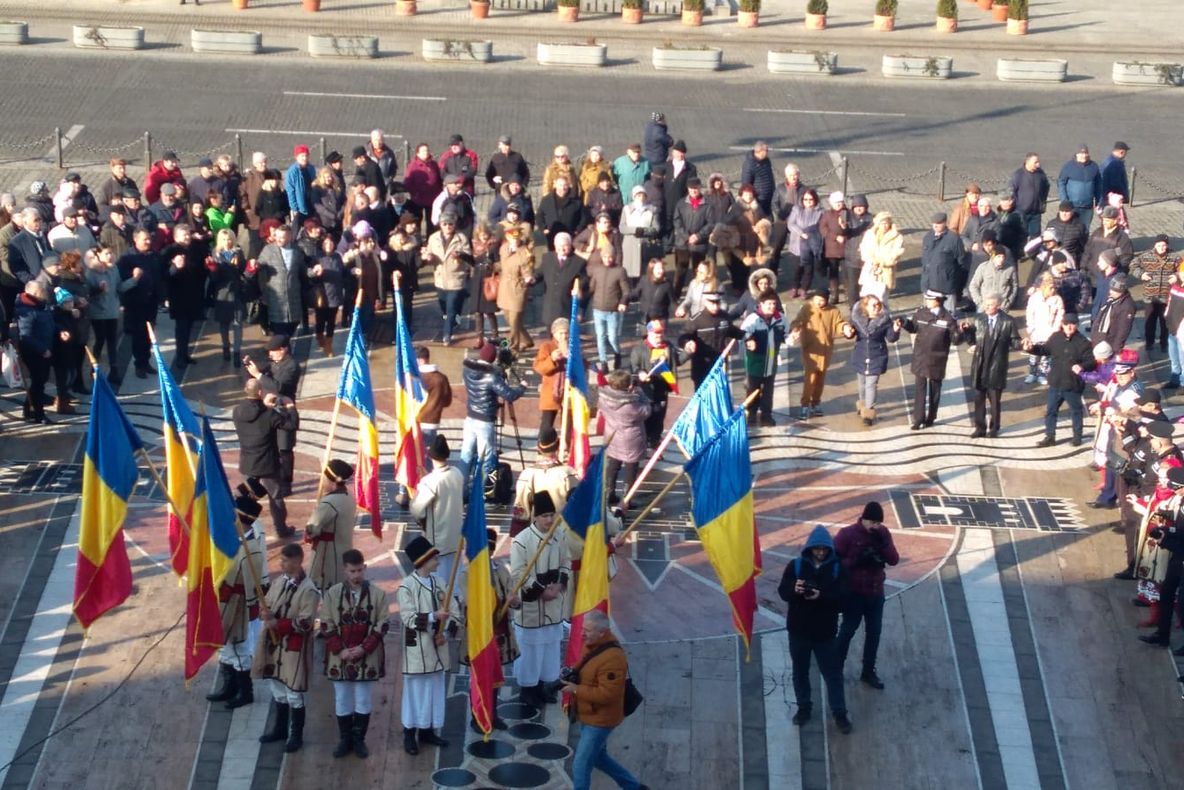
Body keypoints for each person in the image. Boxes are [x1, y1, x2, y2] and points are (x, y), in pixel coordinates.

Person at [562, 609, 648, 790]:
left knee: (581, 765)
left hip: (601, 719)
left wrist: (576, 689)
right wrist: (571, 673)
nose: (582, 633)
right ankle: (633, 787)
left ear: (602, 633)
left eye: (587, 630)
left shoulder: (613, 659)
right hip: (589, 713)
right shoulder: (592, 643)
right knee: (599, 758)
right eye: (583, 628)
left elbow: (608, 694)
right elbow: (584, 662)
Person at [777, 525, 851, 734]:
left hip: (825, 634)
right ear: (809, 548)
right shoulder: (796, 566)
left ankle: (839, 713)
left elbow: (845, 599)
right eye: (816, 549)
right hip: (798, 632)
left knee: (832, 674)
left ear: (829, 549)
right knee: (800, 672)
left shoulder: (838, 569)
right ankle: (803, 708)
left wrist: (822, 595)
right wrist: (795, 589)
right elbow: (783, 591)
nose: (820, 552)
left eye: (823, 549)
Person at [321, 548, 389, 759]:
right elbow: (325, 623)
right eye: (352, 571)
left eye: (360, 570)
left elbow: (383, 624)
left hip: (366, 656)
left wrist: (363, 648)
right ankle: (345, 739)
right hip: (338, 656)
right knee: (342, 698)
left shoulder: (379, 594)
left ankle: (359, 740)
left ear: (365, 568)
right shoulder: (332, 594)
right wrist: (340, 649)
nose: (357, 575)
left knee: (363, 699)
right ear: (345, 571)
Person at [253, 542, 319, 753]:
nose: (280, 563)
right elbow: (270, 604)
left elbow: (306, 622)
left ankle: (296, 734)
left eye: (284, 560)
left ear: (297, 561)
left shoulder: (309, 590)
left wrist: (278, 624)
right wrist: (266, 613)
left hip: (293, 648)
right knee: (277, 689)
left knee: (293, 693)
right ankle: (280, 729)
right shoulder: (280, 582)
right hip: (274, 645)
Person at [206, 494, 268, 710]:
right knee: (227, 648)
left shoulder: (251, 549)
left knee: (239, 649)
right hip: (229, 602)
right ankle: (229, 687)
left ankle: (245, 692)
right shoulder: (238, 542)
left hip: (239, 606)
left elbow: (238, 583)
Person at [397, 535, 457, 755]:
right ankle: (409, 733)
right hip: (418, 652)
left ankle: (428, 730)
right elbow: (408, 617)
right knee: (415, 692)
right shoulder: (407, 587)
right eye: (434, 557)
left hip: (438, 649)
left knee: (434, 691)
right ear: (423, 560)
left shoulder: (440, 584)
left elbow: (454, 612)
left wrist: (447, 634)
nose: (438, 560)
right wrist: (434, 616)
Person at [511, 491, 571, 708]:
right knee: (531, 651)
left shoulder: (559, 536)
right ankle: (528, 689)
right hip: (532, 607)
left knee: (550, 648)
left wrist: (559, 585)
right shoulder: (522, 541)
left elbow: (565, 562)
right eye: (544, 515)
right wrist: (541, 591)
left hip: (553, 604)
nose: (549, 520)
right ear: (535, 517)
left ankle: (545, 685)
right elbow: (518, 574)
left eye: (551, 515)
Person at [834, 502, 899, 689]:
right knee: (847, 631)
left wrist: (883, 544)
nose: (875, 526)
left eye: (878, 523)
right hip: (853, 593)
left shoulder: (883, 534)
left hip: (875, 592)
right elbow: (835, 562)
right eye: (872, 522)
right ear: (863, 519)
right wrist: (856, 560)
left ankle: (868, 671)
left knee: (874, 633)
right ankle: (836, 669)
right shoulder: (847, 534)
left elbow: (894, 559)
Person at [461, 528, 519, 732]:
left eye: (491, 548)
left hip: (499, 632)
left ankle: (493, 714)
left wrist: (513, 600)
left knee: (496, 674)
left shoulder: (501, 570)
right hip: (480, 635)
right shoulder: (468, 574)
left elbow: (515, 601)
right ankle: (478, 716)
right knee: (478, 676)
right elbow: (467, 604)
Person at [232, 379, 298, 537]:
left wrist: (264, 406)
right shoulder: (269, 415)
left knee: (248, 497)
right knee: (276, 498)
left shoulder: (237, 411)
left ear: (245, 390)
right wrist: (290, 407)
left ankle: (242, 528)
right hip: (268, 464)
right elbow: (291, 425)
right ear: (260, 392)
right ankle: (281, 530)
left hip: (248, 462)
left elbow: (254, 416)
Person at [1024, 313, 1095, 447]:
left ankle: (1077, 437)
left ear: (1077, 325)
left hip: (1072, 384)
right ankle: (1050, 437)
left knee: (1076, 411)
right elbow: (1044, 349)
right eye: (1067, 324)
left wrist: (1081, 366)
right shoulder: (1056, 337)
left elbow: (1091, 362)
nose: (1070, 326)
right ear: (1062, 324)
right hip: (1056, 383)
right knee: (1051, 411)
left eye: (1073, 324)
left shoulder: (1083, 342)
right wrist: (1031, 348)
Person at [460, 341, 525, 486]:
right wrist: (522, 387)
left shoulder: (467, 369)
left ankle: (461, 488)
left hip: (470, 417)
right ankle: (484, 491)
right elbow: (509, 395)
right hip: (485, 421)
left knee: (466, 454)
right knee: (487, 458)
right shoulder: (492, 376)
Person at [961, 294, 1022, 438]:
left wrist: (1022, 344)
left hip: (996, 365)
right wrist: (967, 331)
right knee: (978, 398)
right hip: (980, 364)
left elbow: (1015, 341)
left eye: (990, 305)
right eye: (985, 305)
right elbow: (972, 340)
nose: (986, 308)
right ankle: (979, 427)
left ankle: (994, 427)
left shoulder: (1008, 321)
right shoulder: (979, 319)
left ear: (998, 306)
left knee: (994, 400)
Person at [901, 290, 963, 430]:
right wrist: (904, 323)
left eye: (930, 299)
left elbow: (955, 340)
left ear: (937, 301)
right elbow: (913, 328)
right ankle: (918, 418)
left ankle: (931, 416)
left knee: (935, 389)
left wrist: (961, 332)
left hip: (937, 358)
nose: (927, 301)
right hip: (921, 356)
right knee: (920, 388)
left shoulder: (948, 318)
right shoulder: (921, 313)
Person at [1138, 466, 1184, 652]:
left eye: (1178, 489)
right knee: (1166, 596)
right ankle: (1162, 635)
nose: (1176, 493)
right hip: (1178, 559)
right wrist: (1167, 530)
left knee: (1182, 605)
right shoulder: (1181, 501)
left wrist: (1166, 541)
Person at [410, 434, 465, 583]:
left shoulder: (430, 481)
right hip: (456, 539)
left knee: (438, 583)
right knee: (455, 581)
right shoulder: (457, 473)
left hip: (437, 542)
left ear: (430, 456)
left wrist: (421, 484)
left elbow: (417, 509)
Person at [791, 289, 849, 420]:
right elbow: (798, 321)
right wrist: (796, 328)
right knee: (810, 378)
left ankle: (816, 402)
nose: (818, 302)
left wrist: (845, 328)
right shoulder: (807, 308)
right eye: (816, 299)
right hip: (810, 350)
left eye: (822, 300)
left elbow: (839, 324)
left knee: (820, 379)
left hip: (826, 350)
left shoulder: (833, 311)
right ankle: (805, 404)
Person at [512, 428, 580, 534]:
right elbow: (578, 505)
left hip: (537, 536)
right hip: (564, 534)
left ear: (539, 447)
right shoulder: (569, 473)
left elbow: (521, 513)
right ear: (557, 446)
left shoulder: (527, 475)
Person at [848, 292, 901, 427]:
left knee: (871, 384)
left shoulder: (885, 320)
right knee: (861, 383)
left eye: (878, 304)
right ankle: (862, 404)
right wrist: (847, 331)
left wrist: (895, 330)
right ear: (865, 307)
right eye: (874, 305)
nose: (877, 307)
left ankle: (869, 412)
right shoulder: (856, 319)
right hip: (860, 355)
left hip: (877, 355)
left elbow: (891, 338)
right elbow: (850, 332)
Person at [304, 459, 357, 592]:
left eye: (325, 479)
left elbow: (312, 529)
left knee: (318, 589)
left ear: (332, 482)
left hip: (328, 554)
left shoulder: (329, 502)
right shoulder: (349, 497)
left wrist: (314, 517)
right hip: (344, 549)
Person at [116, 228, 161, 379]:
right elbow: (122, 282)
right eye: (144, 239)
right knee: (138, 334)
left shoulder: (154, 255)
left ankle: (146, 361)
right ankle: (139, 364)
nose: (148, 242)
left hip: (151, 301)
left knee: (149, 333)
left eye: (149, 239)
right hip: (135, 303)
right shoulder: (127, 258)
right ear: (136, 240)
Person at [422, 210, 471, 346]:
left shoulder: (461, 238)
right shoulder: (433, 238)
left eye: (450, 224)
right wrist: (428, 258)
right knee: (444, 307)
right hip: (440, 279)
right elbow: (429, 256)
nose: (448, 226)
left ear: (455, 225)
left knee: (451, 308)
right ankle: (456, 320)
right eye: (445, 224)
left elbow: (469, 258)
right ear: (440, 225)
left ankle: (447, 334)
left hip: (456, 279)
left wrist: (460, 256)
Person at [629, 320, 680, 447]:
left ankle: (655, 441)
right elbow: (633, 367)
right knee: (646, 418)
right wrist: (640, 373)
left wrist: (688, 352)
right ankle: (643, 442)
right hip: (645, 390)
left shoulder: (668, 347)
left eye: (661, 334)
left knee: (659, 418)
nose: (659, 337)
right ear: (649, 333)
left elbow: (677, 361)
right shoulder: (639, 349)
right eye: (656, 334)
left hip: (661, 389)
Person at [678, 291, 744, 390]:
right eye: (712, 303)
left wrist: (748, 337)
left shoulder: (724, 317)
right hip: (701, 365)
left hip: (719, 364)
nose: (715, 306)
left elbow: (733, 331)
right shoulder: (697, 320)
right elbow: (683, 336)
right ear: (705, 302)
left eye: (717, 303)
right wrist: (687, 343)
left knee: (718, 395)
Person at [741, 289, 788, 427]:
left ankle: (766, 415)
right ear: (761, 304)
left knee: (768, 391)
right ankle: (751, 415)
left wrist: (791, 337)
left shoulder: (781, 319)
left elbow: (786, 335)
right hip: (755, 362)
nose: (772, 307)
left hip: (771, 362)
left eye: (774, 304)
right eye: (769, 304)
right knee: (753, 389)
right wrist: (749, 340)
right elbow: (743, 333)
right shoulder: (753, 319)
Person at [164, 224, 207, 366]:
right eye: (184, 235)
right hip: (179, 297)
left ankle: (185, 354)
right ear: (176, 237)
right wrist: (176, 267)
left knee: (189, 328)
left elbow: (201, 270)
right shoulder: (170, 251)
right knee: (181, 329)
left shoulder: (195, 249)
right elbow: (167, 275)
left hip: (193, 295)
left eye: (188, 234)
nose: (187, 237)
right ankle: (180, 358)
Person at [254, 224, 306, 339]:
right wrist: (254, 266)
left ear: (289, 237)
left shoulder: (296, 251)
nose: (278, 239)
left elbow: (303, 270)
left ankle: (284, 351)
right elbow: (259, 264)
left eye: (282, 237)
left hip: (293, 298)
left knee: (291, 328)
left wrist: (314, 272)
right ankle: (282, 354)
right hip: (275, 298)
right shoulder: (269, 250)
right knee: (279, 333)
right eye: (277, 236)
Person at [1131, 235, 1180, 354]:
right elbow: (1133, 265)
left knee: (1165, 323)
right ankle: (1149, 343)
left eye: (1164, 245)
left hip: (1166, 296)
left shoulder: (1174, 257)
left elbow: (1182, 270)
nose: (1162, 248)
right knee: (1149, 322)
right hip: (1150, 296)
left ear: (1167, 246)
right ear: (1155, 245)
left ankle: (1164, 343)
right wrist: (1141, 274)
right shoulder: (1146, 256)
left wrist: (1177, 276)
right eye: (1159, 245)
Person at [14, 281, 54, 424]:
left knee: (39, 382)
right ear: (35, 293)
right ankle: (39, 414)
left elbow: (50, 323)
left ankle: (28, 409)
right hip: (35, 353)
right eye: (41, 290)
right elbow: (25, 336)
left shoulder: (40, 305)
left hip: (45, 348)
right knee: (38, 383)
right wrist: (42, 350)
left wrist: (60, 330)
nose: (44, 291)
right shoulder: (25, 310)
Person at [586, 245, 630, 371]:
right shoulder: (597, 270)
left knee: (612, 337)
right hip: (598, 309)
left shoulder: (620, 271)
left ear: (614, 257)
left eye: (610, 257)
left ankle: (617, 354)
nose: (608, 259)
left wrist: (623, 302)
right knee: (600, 336)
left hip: (613, 311)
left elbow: (626, 291)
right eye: (605, 256)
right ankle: (603, 362)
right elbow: (591, 288)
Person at [496, 225, 535, 352]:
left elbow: (527, 269)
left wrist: (528, 277)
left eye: (517, 238)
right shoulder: (503, 249)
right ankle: (527, 340)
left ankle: (513, 347)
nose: (515, 240)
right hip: (505, 287)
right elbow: (502, 264)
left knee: (514, 320)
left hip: (517, 287)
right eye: (512, 238)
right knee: (509, 319)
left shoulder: (525, 252)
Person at [537, 233, 585, 330]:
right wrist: (533, 278)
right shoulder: (547, 258)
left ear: (570, 245)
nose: (562, 249)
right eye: (559, 246)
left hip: (566, 305)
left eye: (565, 246)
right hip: (550, 305)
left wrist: (578, 288)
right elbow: (540, 272)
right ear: (554, 245)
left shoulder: (579, 262)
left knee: (565, 334)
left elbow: (584, 281)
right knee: (551, 336)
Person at [1024, 273, 1065, 385]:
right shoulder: (1034, 298)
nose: (1053, 290)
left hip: (1050, 331)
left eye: (1054, 288)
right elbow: (1029, 313)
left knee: (1046, 354)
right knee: (1034, 353)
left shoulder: (1057, 299)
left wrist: (1055, 329)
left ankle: (1043, 374)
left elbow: (1060, 315)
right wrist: (1031, 327)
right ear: (1043, 288)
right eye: (1050, 288)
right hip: (1036, 330)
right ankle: (1032, 373)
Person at [919, 213, 963, 314]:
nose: (935, 226)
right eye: (934, 223)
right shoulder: (928, 237)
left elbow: (961, 262)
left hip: (946, 285)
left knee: (949, 317)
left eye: (938, 223)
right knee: (929, 316)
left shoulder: (953, 239)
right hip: (929, 283)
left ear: (945, 223)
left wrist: (957, 285)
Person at [533, 319, 570, 436]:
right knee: (547, 424)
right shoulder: (547, 347)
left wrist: (573, 359)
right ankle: (543, 448)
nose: (564, 336)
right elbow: (539, 368)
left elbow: (582, 365)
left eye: (566, 333)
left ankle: (567, 448)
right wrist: (552, 359)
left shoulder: (573, 347)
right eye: (561, 333)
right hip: (551, 392)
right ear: (554, 333)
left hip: (569, 390)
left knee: (569, 424)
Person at [784, 189, 823, 300]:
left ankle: (804, 289)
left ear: (815, 200)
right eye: (806, 199)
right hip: (797, 244)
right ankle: (795, 287)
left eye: (811, 199)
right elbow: (791, 224)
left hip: (811, 244)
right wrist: (801, 233)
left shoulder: (820, 212)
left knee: (808, 270)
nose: (808, 202)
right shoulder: (797, 209)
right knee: (797, 269)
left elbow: (821, 227)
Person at [858, 211, 904, 297]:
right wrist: (872, 261)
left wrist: (881, 262)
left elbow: (896, 254)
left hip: (885, 271)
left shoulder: (897, 237)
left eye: (886, 223)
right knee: (868, 297)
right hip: (871, 270)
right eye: (882, 223)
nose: (884, 226)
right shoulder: (870, 234)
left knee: (883, 298)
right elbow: (864, 249)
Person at [1057, 144, 1103, 232]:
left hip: (1087, 207)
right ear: (1076, 154)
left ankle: (1083, 245)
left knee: (1085, 230)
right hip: (1072, 206)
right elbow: (1061, 182)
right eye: (1081, 153)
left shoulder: (1094, 166)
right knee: (1071, 229)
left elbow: (1098, 184)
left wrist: (1098, 201)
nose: (1084, 155)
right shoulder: (1068, 166)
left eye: (1086, 153)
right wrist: (1064, 200)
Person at [1090, 275, 1137, 353]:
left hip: (1109, 342)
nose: (1111, 291)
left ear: (1122, 291)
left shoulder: (1127, 306)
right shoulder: (1112, 299)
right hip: (1100, 337)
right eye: (1111, 289)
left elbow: (1123, 330)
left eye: (1115, 290)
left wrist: (1117, 349)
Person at [1009, 152, 1051, 238]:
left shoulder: (1040, 173)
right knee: (1021, 236)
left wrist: (1042, 202)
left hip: (1036, 212)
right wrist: (1016, 207)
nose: (1038, 164)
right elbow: (1011, 191)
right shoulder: (1018, 174)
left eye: (1038, 162)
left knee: (1035, 237)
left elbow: (1046, 186)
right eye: (1035, 162)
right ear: (1027, 162)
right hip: (1022, 212)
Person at [284, 144, 316, 230]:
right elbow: (290, 191)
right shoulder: (292, 171)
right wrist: (294, 208)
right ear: (296, 157)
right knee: (296, 230)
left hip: (311, 203)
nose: (304, 158)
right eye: (302, 156)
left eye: (306, 155)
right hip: (300, 206)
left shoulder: (311, 168)